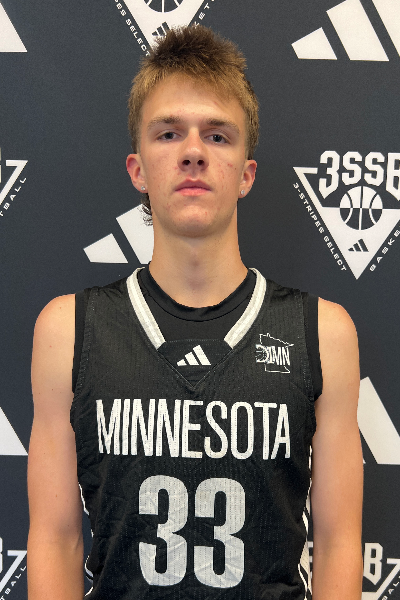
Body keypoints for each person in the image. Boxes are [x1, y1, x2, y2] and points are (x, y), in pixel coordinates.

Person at [27, 25, 363, 600]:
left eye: (217, 135)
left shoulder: (322, 333)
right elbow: (55, 540)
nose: (192, 152)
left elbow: (337, 544)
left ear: (246, 174)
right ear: (137, 169)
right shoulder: (69, 330)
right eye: (168, 133)